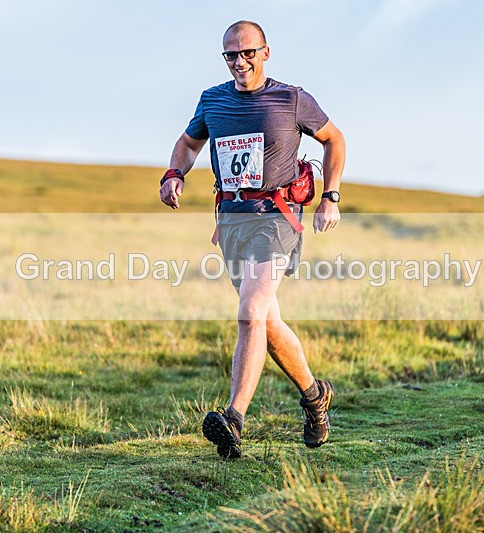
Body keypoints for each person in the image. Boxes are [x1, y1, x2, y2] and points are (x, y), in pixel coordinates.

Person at [159, 20, 346, 459]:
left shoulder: (292, 99)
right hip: (231, 221)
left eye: (247, 53)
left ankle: (234, 419)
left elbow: (334, 140)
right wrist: (174, 174)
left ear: (265, 52)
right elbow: (188, 144)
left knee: (250, 310)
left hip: (277, 218)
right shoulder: (213, 100)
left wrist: (331, 197)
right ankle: (315, 396)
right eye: (230, 55)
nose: (239, 62)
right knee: (266, 320)